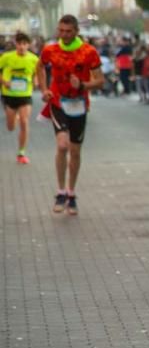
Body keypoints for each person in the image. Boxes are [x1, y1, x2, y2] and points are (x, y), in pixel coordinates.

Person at [39, 15, 106, 214]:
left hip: (79, 105)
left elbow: (100, 81)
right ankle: (60, 191)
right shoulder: (50, 50)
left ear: (76, 31)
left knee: (75, 151)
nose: (64, 34)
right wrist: (44, 89)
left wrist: (84, 85)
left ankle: (71, 193)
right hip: (58, 102)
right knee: (62, 145)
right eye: (61, 30)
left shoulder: (88, 52)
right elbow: (40, 67)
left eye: (68, 31)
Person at [0, 32, 43, 164]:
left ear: (28, 45)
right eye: (19, 44)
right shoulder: (7, 57)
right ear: (15, 44)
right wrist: (4, 81)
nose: (22, 47)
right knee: (11, 127)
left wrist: (36, 81)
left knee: (25, 122)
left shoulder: (34, 59)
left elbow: (38, 73)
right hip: (9, 95)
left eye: (24, 44)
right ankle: (15, 117)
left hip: (25, 95)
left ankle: (21, 153)